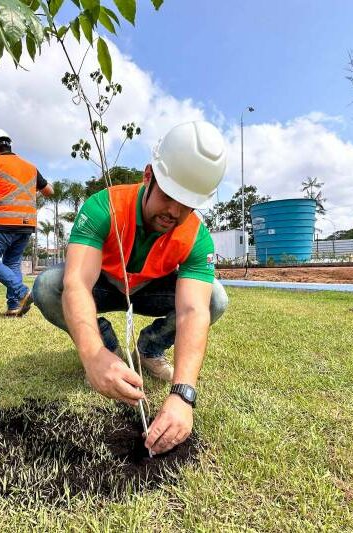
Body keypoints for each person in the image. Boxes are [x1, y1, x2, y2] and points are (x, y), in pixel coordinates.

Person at [32, 121, 228, 454]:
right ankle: (110, 354)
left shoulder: (196, 235)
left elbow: (193, 309)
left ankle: (149, 350)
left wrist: (183, 394)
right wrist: (94, 355)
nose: (174, 212)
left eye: (188, 204)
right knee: (49, 285)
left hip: (151, 288)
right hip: (104, 284)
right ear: (149, 175)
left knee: (215, 298)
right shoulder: (104, 205)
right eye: (169, 196)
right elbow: (78, 283)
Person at [0, 128, 53, 316]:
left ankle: (23, 291)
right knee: (12, 263)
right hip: (26, 225)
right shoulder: (30, 166)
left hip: (4, 222)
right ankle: (14, 306)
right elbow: (49, 190)